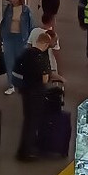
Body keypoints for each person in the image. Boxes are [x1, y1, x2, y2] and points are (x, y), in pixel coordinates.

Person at [15, 28, 55, 161]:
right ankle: (27, 152)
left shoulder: (25, 53)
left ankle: (22, 150)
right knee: (33, 122)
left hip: (25, 90)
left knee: (27, 120)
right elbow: (44, 79)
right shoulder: (40, 57)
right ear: (45, 44)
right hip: (36, 92)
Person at [0, 0, 33, 95]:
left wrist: (30, 40)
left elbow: (30, 25)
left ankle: (22, 82)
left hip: (21, 38)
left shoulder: (26, 10)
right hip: (9, 37)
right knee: (9, 61)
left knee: (21, 62)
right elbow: (3, 23)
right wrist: (1, 37)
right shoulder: (8, 9)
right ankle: (11, 84)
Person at [29, 8, 63, 84]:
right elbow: (56, 54)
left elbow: (29, 46)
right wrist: (60, 72)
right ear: (52, 22)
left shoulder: (34, 31)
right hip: (50, 67)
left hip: (35, 65)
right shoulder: (53, 35)